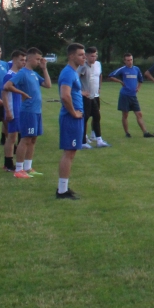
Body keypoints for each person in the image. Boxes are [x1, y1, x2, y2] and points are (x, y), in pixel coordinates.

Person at [4, 47, 51, 178]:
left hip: (37, 111)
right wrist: (22, 93)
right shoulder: (22, 73)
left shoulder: (34, 74)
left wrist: (44, 68)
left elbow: (48, 85)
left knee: (33, 139)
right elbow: (7, 86)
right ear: (29, 58)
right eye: (37, 59)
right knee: (25, 139)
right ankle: (18, 170)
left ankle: (28, 167)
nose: (39, 61)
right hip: (28, 111)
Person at [57, 43, 86, 199]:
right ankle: (62, 191)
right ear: (71, 56)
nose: (84, 57)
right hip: (70, 118)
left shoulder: (74, 72)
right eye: (80, 54)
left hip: (74, 117)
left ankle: (64, 188)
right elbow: (64, 95)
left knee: (71, 152)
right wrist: (74, 113)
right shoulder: (68, 73)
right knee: (69, 152)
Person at [108, 53, 154, 138]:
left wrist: (138, 88)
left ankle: (145, 132)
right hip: (124, 95)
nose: (130, 62)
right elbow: (111, 76)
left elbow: (141, 80)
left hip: (133, 96)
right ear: (124, 61)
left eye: (131, 60)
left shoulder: (136, 69)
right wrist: (120, 81)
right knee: (125, 115)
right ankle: (127, 133)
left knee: (139, 114)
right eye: (128, 60)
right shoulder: (122, 69)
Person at [78, 46, 109, 149]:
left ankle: (99, 140)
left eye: (95, 55)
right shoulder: (82, 66)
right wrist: (80, 92)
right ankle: (82, 141)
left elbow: (99, 75)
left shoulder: (98, 64)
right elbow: (75, 79)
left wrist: (99, 87)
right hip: (86, 97)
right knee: (85, 118)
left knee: (97, 117)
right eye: (92, 56)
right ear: (86, 56)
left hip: (95, 96)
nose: (94, 58)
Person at [1, 50, 27, 175]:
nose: (24, 62)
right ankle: (8, 163)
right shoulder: (9, 75)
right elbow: (4, 93)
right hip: (13, 109)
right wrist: (8, 111)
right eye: (22, 60)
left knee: (16, 136)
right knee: (11, 137)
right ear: (15, 60)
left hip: (20, 109)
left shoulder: (19, 74)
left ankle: (13, 162)